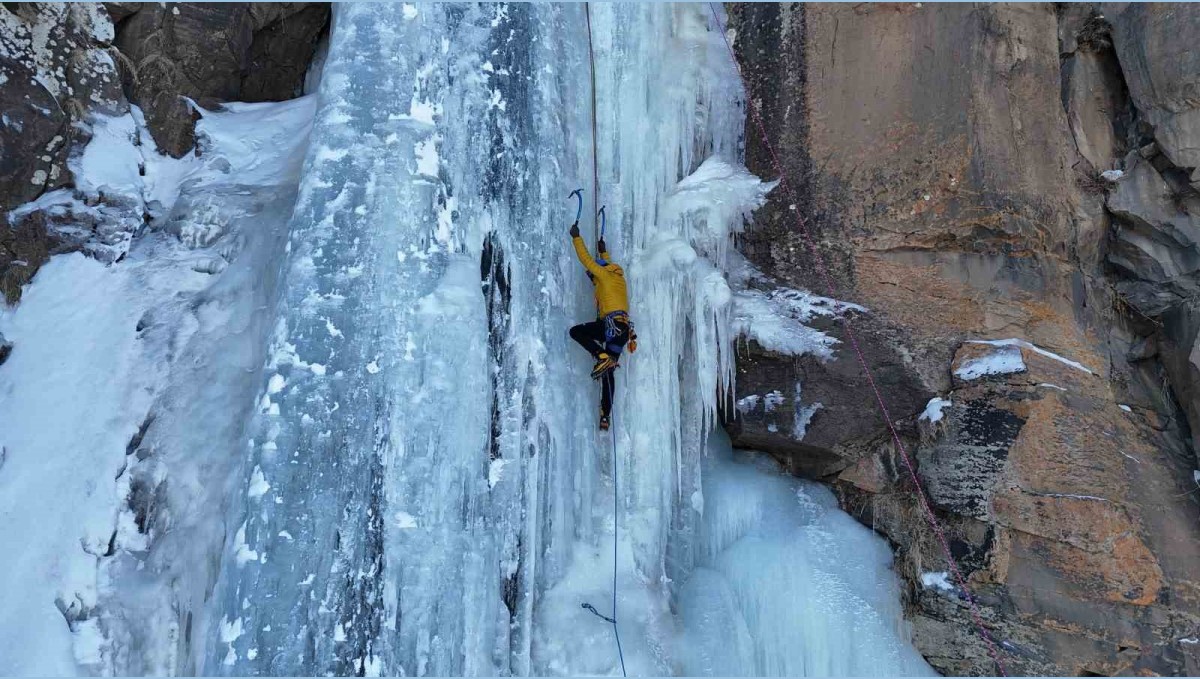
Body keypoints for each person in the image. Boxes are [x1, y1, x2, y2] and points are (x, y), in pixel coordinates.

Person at [568, 220, 636, 431]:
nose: (593, 279)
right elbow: (606, 266)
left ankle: (600, 355)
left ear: (601, 271)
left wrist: (576, 237)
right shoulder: (617, 277)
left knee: (576, 331)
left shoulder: (604, 275)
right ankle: (605, 414)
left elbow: (586, 260)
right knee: (609, 372)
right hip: (622, 331)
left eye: (594, 276)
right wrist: (604, 251)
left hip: (611, 327)